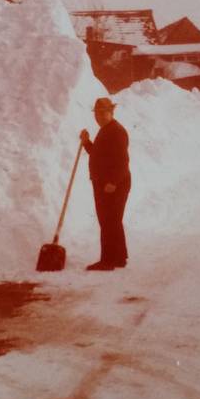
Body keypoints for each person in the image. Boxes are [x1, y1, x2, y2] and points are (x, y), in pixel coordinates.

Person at [80, 97, 131, 271]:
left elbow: (123, 161)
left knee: (108, 220)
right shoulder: (106, 130)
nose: (99, 117)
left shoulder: (116, 131)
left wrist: (113, 182)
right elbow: (98, 155)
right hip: (106, 183)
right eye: (97, 114)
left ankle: (107, 261)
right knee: (113, 220)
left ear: (111, 112)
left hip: (114, 183)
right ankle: (119, 257)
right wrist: (87, 142)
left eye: (103, 113)